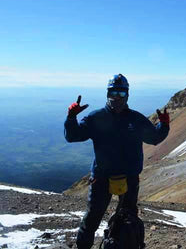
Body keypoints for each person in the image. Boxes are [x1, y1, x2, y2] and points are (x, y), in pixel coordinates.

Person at [64, 74, 170, 249]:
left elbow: (154, 138)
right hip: (101, 178)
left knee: (127, 219)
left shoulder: (135, 119)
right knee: (91, 219)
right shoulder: (96, 117)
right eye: (114, 93)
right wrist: (71, 118)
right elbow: (73, 136)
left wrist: (163, 126)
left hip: (129, 178)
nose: (117, 97)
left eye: (121, 93)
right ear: (108, 94)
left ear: (127, 95)